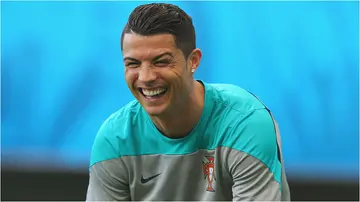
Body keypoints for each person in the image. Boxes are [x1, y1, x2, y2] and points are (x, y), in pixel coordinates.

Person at [86, 2, 290, 201]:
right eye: (133, 64)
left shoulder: (245, 122)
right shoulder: (114, 138)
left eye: (161, 61)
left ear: (193, 60)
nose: (146, 77)